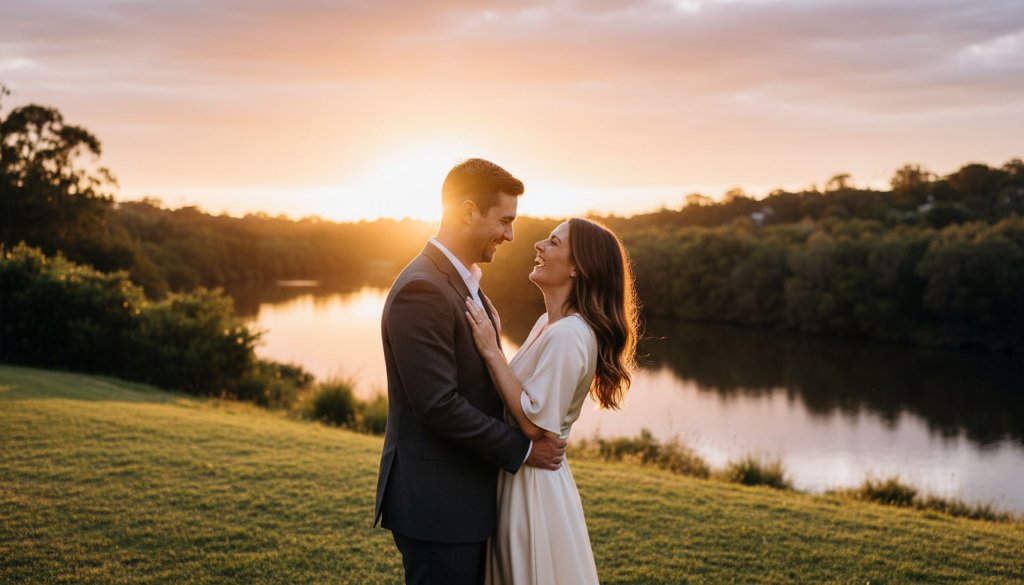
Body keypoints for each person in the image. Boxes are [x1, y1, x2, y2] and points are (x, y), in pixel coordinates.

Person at [374, 158, 568, 585]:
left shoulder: (462, 281)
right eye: (504, 220)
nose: (511, 235)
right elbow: (438, 405)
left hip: (463, 499)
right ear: (466, 212)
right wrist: (524, 450)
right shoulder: (423, 289)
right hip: (439, 506)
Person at [464, 217, 640, 585]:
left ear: (578, 267)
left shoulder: (570, 335)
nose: (539, 246)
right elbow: (521, 392)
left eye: (554, 243)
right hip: (518, 477)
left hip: (533, 489)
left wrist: (491, 352)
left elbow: (533, 422)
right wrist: (495, 340)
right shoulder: (548, 324)